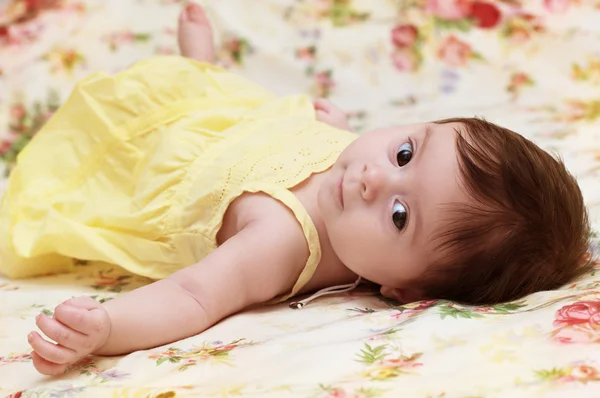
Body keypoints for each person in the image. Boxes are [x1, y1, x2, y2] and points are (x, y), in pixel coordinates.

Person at [0, 3, 591, 376]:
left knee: (103, 149)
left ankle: (198, 81)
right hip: (236, 128)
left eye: (401, 216)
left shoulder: (279, 245)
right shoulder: (358, 171)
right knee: (245, 108)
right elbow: (343, 158)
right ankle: (202, 74)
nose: (372, 178)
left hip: (161, 163)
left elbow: (193, 298)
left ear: (404, 288)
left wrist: (106, 329)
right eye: (406, 151)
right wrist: (327, 134)